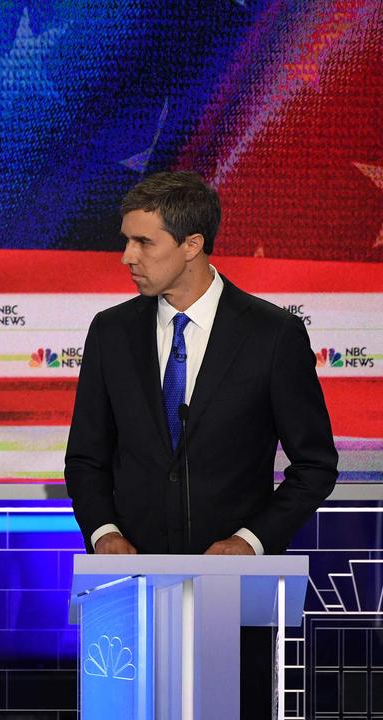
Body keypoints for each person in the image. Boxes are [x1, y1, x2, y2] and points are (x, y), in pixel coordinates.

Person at [65, 171, 337, 716]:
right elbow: (87, 457)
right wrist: (105, 533)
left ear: (192, 246)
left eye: (143, 241)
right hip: (127, 591)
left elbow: (315, 465)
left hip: (235, 594)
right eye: (126, 239)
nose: (126, 256)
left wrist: (250, 541)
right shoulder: (110, 331)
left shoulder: (272, 333)